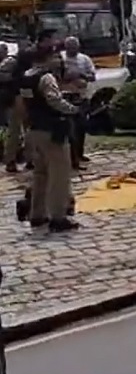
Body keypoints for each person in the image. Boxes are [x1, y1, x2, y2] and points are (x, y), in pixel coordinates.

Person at [21, 32, 80, 231]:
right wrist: (73, 109)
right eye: (56, 56)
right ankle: (58, 216)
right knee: (59, 175)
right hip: (51, 129)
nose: (58, 60)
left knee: (40, 173)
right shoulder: (46, 77)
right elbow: (54, 100)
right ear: (49, 57)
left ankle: (37, 213)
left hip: (34, 129)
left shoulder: (27, 76)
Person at [61, 36, 96, 168]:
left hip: (81, 96)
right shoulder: (61, 59)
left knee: (81, 127)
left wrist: (81, 75)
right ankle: (72, 157)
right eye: (70, 47)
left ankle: (80, 153)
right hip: (66, 96)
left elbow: (92, 76)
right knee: (71, 129)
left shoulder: (84, 59)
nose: (73, 49)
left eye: (75, 46)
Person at [2, 44, 34, 172]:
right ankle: (11, 160)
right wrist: (17, 80)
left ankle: (30, 159)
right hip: (16, 97)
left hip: (28, 97)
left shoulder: (29, 61)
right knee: (15, 131)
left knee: (30, 130)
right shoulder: (12, 62)